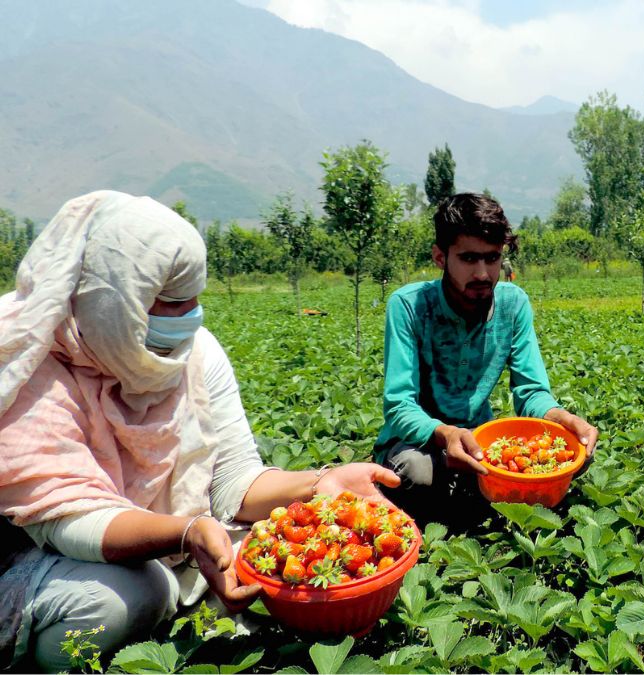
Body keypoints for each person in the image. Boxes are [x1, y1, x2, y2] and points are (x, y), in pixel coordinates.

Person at [0, 191, 401, 671]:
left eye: (193, 296)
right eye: (170, 300)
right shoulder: (28, 362)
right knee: (128, 594)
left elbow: (235, 479)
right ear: (110, 299)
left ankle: (182, 639)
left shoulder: (194, 351)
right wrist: (186, 532)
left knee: (266, 553)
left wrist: (320, 483)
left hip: (172, 536)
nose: (191, 314)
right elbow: (69, 520)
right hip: (38, 554)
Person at [373, 193, 597, 530]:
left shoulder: (513, 304)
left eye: (492, 258)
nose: (482, 273)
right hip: (417, 443)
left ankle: (478, 496)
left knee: (570, 454)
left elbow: (531, 392)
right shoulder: (408, 306)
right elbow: (399, 406)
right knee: (417, 473)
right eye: (468, 258)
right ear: (440, 257)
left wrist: (558, 418)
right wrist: (445, 434)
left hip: (480, 440)